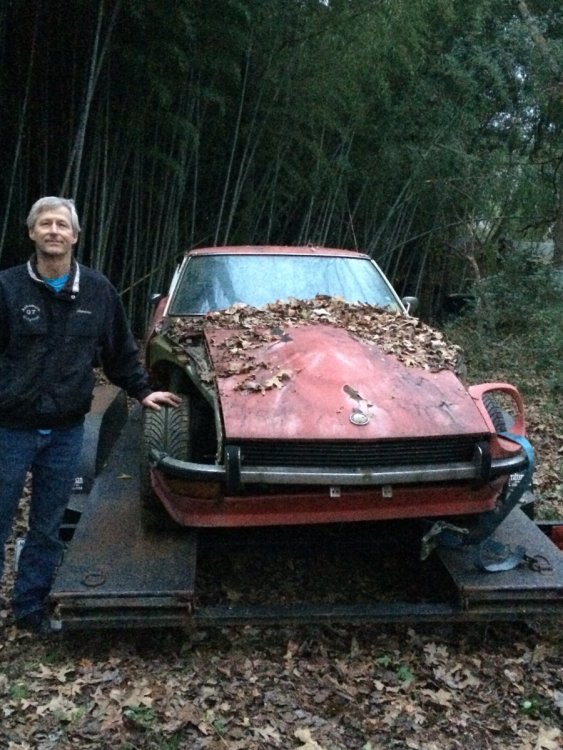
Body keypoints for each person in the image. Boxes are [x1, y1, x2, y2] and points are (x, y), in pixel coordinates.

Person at [0, 196, 181, 633]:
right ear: (31, 232)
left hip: (66, 431)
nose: (53, 231)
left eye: (62, 224)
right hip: (9, 428)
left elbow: (120, 351)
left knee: (48, 526)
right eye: (45, 223)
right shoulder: (7, 287)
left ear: (76, 236)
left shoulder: (98, 291)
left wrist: (143, 392)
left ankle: (30, 608)